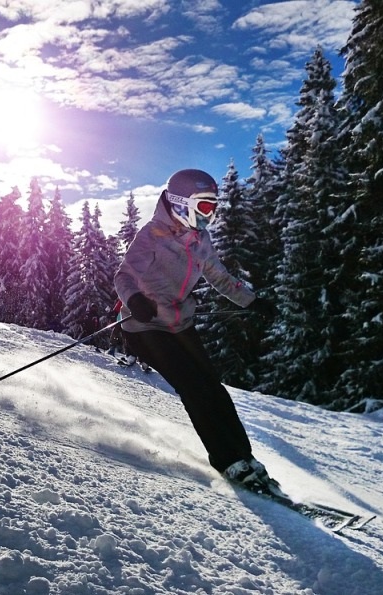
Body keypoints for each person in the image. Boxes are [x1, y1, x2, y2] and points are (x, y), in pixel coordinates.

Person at [114, 168, 270, 491]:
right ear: (182, 203)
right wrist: (135, 299)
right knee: (194, 386)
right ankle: (228, 462)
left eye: (213, 208)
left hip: (178, 323)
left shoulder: (201, 241)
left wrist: (252, 302)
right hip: (145, 326)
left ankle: (245, 458)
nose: (209, 216)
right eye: (204, 207)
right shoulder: (151, 235)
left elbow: (221, 278)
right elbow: (123, 277)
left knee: (213, 385)